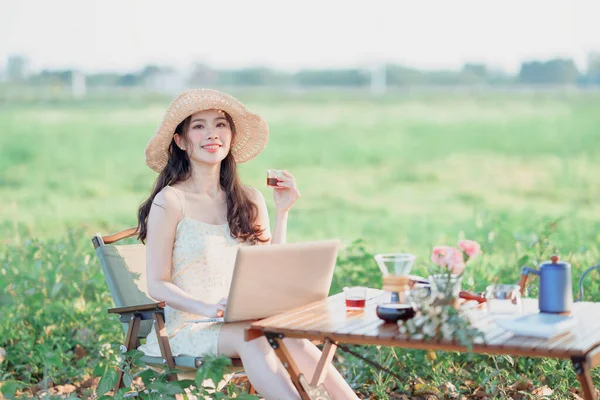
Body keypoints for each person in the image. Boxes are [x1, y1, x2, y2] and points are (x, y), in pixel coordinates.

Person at [136, 89, 358, 399]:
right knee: (253, 334)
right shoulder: (170, 202)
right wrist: (208, 308)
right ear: (181, 141)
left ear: (231, 135)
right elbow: (157, 285)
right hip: (190, 327)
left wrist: (282, 212)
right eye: (199, 126)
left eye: (220, 125)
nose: (212, 134)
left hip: (247, 320)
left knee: (289, 337)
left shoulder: (250, 199)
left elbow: (271, 270)